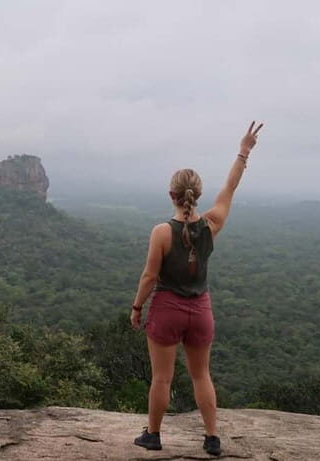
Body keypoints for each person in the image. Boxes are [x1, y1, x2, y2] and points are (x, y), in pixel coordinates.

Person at [130, 121, 264, 456]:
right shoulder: (211, 225)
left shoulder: (162, 232)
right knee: (201, 375)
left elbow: (149, 277)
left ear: (171, 195)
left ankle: (153, 435)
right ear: (197, 195)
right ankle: (212, 438)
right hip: (200, 309)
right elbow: (230, 189)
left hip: (167, 309)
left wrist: (136, 308)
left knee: (162, 378)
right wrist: (243, 152)